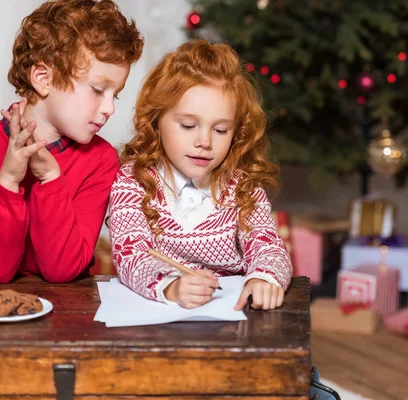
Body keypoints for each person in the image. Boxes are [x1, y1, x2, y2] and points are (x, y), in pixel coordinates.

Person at [0, 0, 143, 283]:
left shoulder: (101, 160)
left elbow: (62, 270)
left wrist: (50, 177)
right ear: (43, 78)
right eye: (98, 90)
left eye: (116, 95)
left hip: (66, 314)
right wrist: (9, 181)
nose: (110, 109)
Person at [108, 40, 292, 310]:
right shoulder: (132, 181)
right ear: (156, 120)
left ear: (236, 132)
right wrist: (171, 286)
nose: (204, 141)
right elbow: (130, 252)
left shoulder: (242, 188)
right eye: (188, 125)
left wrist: (265, 278)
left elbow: (269, 247)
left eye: (220, 131)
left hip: (232, 318)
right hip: (156, 319)